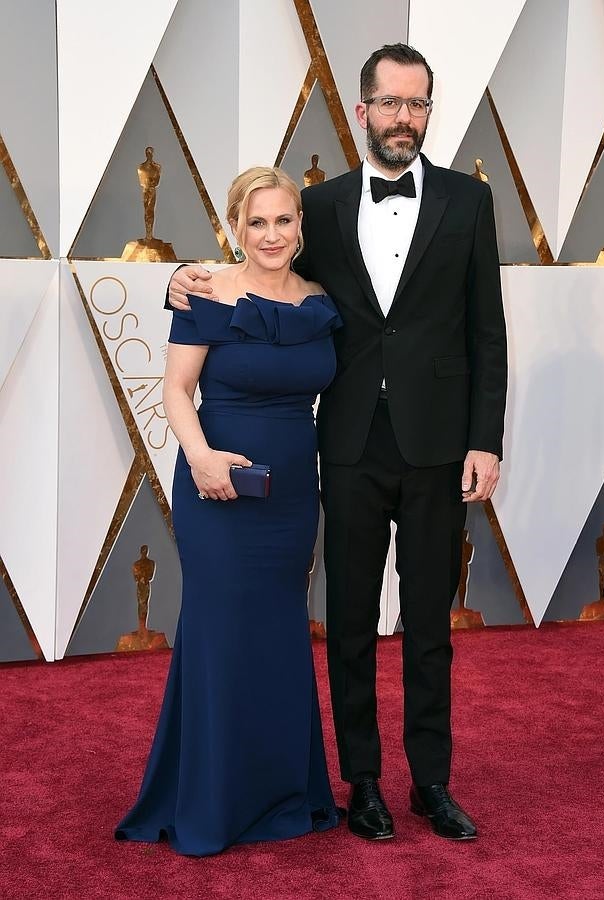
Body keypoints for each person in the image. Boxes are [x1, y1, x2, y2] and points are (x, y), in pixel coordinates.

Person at [168, 43, 507, 843]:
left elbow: (485, 330)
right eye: (388, 103)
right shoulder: (317, 206)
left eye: (416, 104)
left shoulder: (468, 202)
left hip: (437, 447)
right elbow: (258, 268)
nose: (403, 118)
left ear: (429, 110)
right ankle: (363, 784)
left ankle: (430, 781)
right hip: (345, 447)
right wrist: (182, 276)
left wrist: (484, 441)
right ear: (361, 112)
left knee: (429, 624)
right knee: (348, 620)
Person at [115, 166, 341, 856]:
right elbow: (176, 389)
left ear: (300, 227)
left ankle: (280, 792)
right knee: (218, 631)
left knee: (277, 632)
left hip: (293, 494)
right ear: (234, 228)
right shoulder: (208, 290)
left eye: (283, 220)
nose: (270, 234)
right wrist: (202, 458)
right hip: (215, 490)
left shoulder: (321, 299)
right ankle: (210, 801)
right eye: (256, 222)